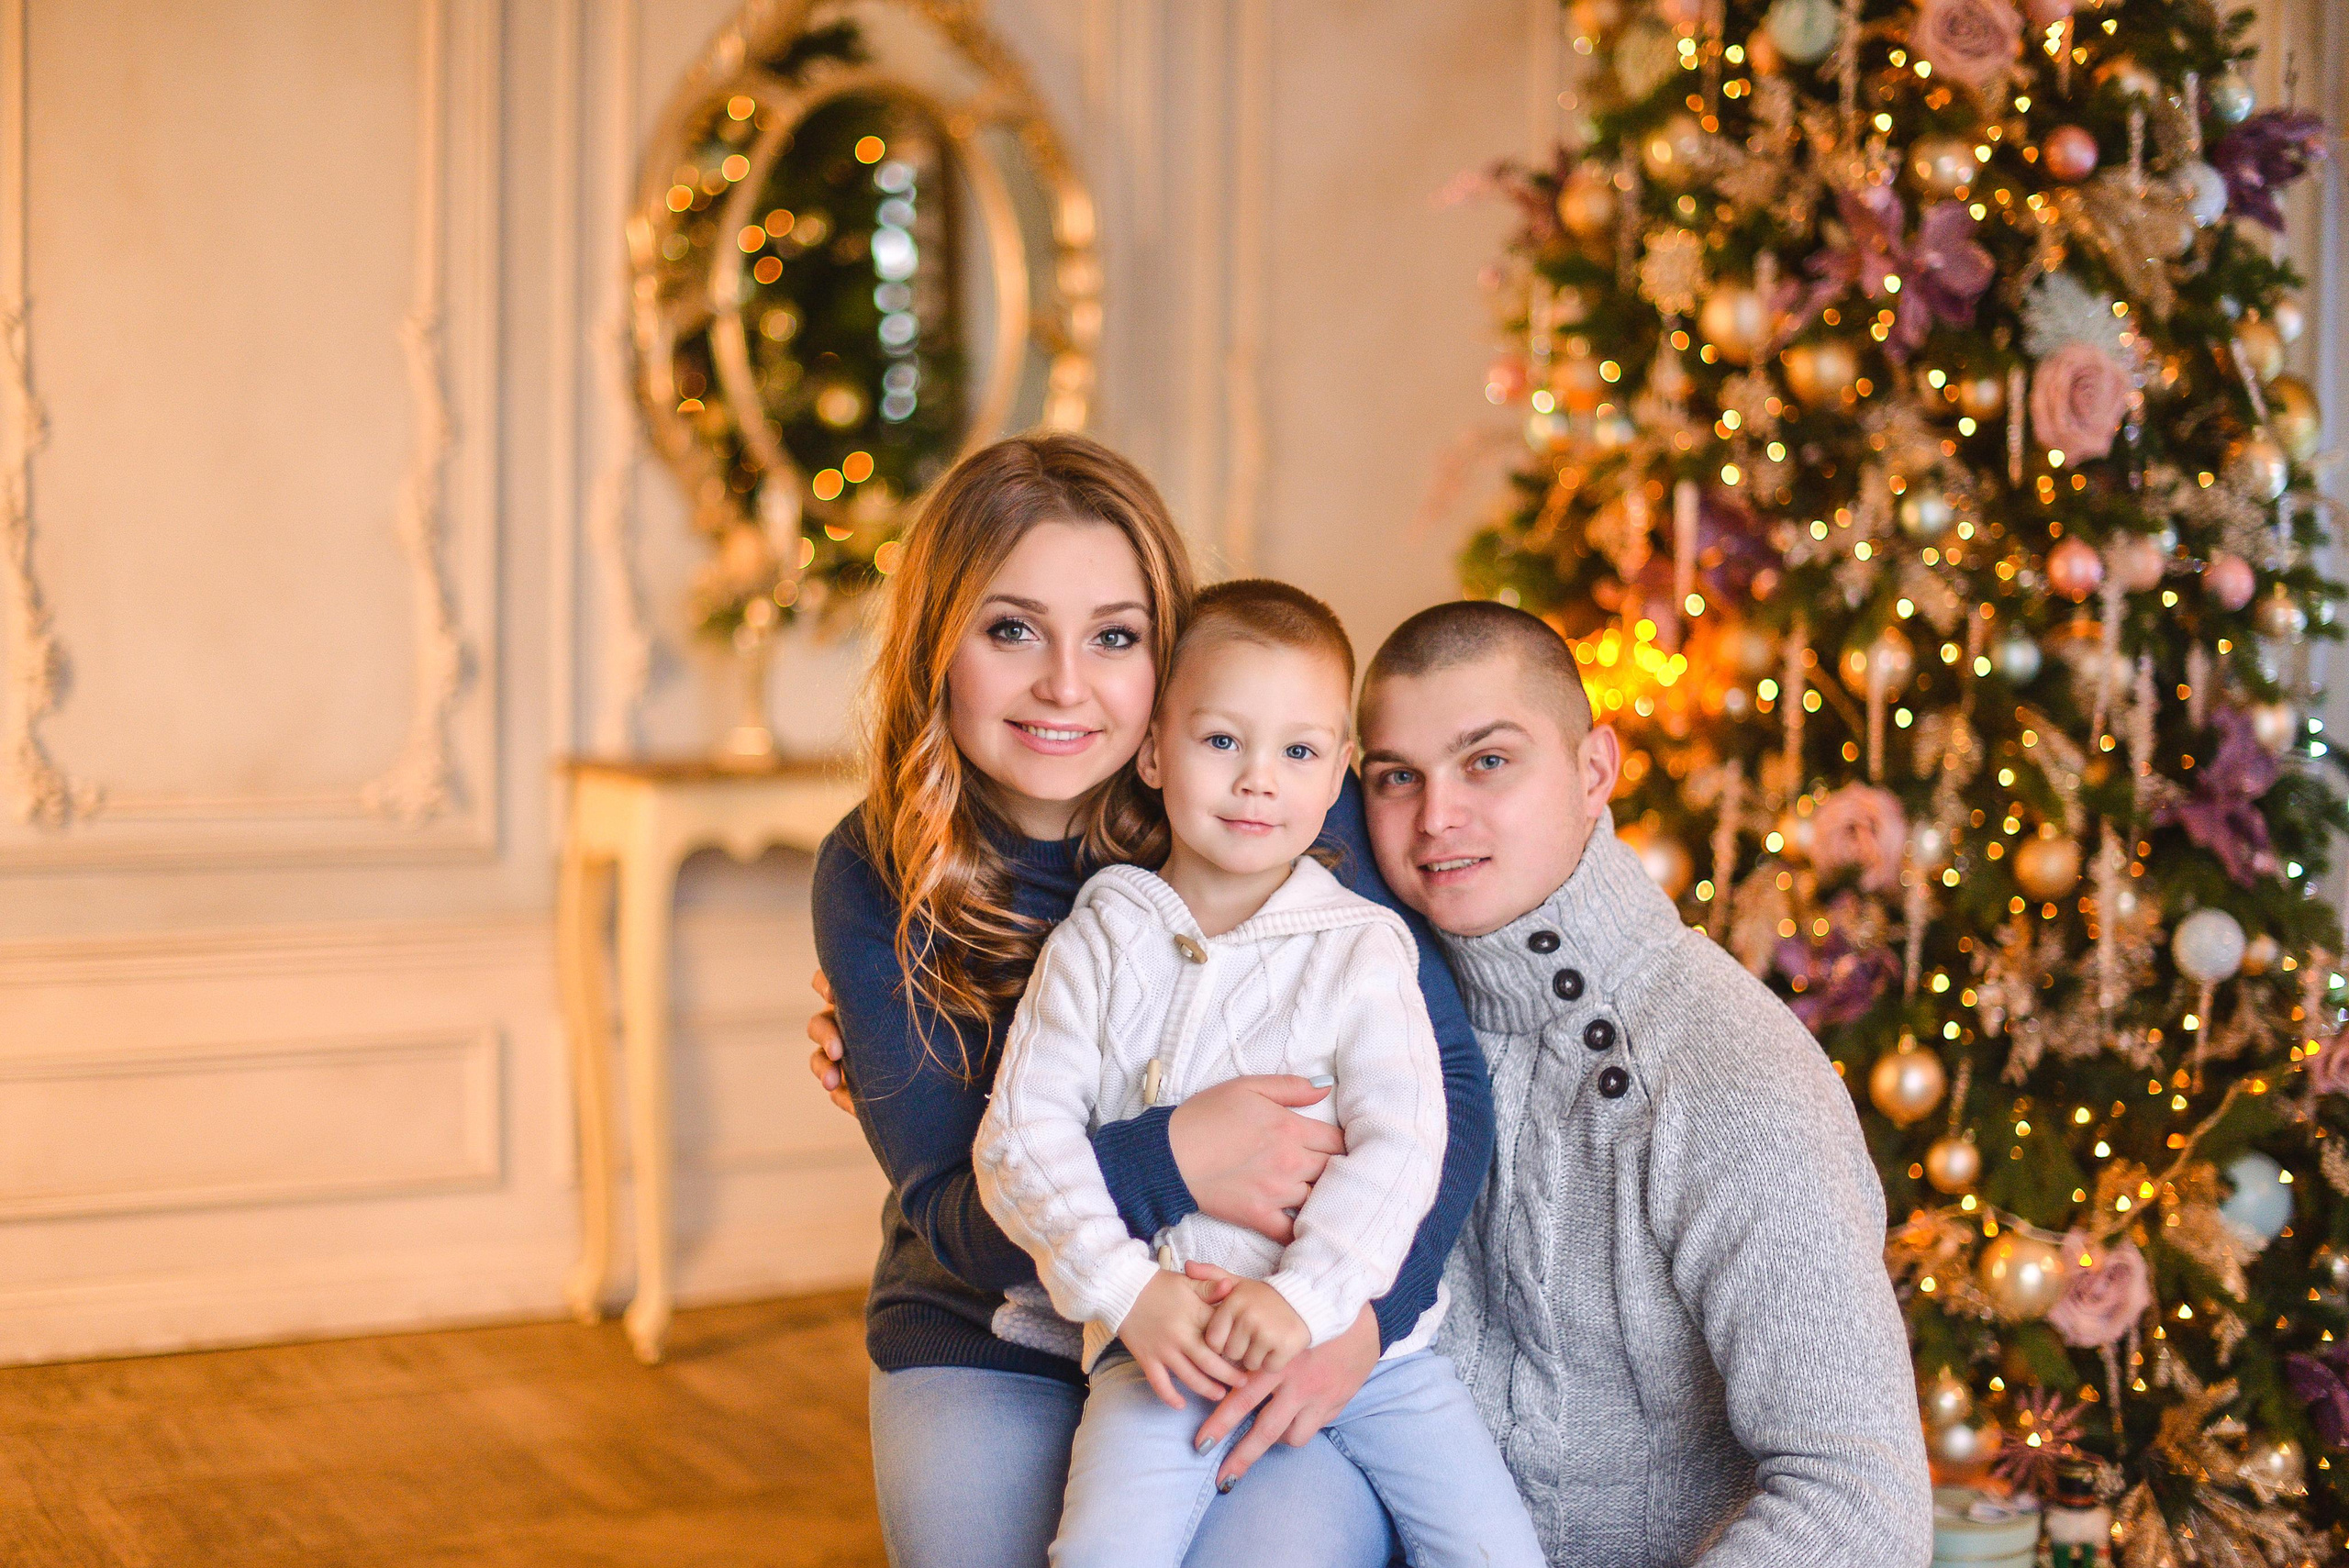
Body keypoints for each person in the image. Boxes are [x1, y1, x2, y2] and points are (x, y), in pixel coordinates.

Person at [807, 433, 1493, 1568]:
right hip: (996, 1324)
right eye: (1011, 628)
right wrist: (1172, 1155)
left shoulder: (1275, 809)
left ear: (1168, 661)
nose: (1065, 685)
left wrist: (1358, 1322)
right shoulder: (880, 866)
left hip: (1265, 1308)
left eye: (1115, 636)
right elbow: (948, 1201)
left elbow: (1443, 1089)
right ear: (940, 642)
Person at [1339, 599, 1934, 1567]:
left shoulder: (1727, 1065)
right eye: (1396, 776)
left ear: (1592, 770)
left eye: (1487, 759)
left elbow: (1859, 1502)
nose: (1436, 814)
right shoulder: (1367, 1017)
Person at [973, 581, 1542, 1568]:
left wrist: (1309, 1298)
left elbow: (1404, 1145)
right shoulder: (1101, 938)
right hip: (1164, 1342)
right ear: (1154, 750)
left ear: (1338, 782)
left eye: (1298, 751)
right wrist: (1123, 1292)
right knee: (1103, 1548)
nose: (1256, 782)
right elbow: (1021, 1137)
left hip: (1369, 1360)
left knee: (1495, 1548)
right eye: (1221, 741)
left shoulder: (1362, 948)